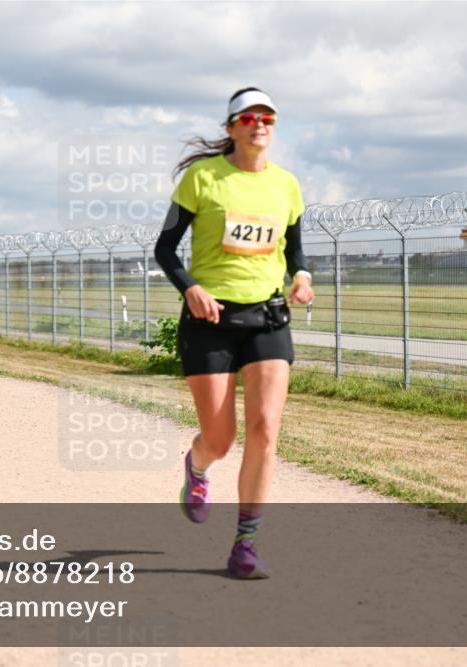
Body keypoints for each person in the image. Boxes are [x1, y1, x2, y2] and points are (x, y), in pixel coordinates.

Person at [154, 87, 314, 579]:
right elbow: (165, 248)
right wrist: (191, 288)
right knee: (221, 440)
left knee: (265, 429)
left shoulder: (286, 185)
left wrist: (302, 277)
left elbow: (294, 250)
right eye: (248, 118)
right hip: (211, 323)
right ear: (231, 128)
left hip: (268, 319)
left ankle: (246, 544)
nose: (259, 124)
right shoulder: (201, 178)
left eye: (267, 117)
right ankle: (198, 466)